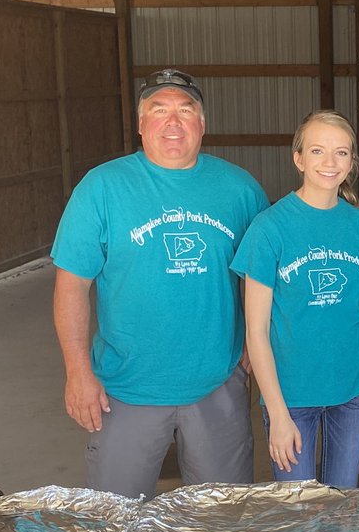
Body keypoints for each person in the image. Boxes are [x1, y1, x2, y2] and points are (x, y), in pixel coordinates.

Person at [52, 68, 269, 500]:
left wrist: (253, 340)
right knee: (115, 518)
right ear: (140, 123)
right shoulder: (102, 188)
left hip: (216, 383)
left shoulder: (239, 189)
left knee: (220, 520)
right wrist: (77, 372)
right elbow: (71, 286)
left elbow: (261, 277)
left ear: (202, 123)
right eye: (158, 110)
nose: (173, 122)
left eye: (185, 111)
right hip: (126, 387)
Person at [232, 111, 359, 487]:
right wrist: (277, 413)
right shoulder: (269, 228)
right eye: (318, 150)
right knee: (298, 508)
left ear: (351, 162)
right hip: (291, 394)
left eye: (341, 152)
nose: (330, 162)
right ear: (299, 159)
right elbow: (256, 331)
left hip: (354, 391)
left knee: (341, 500)